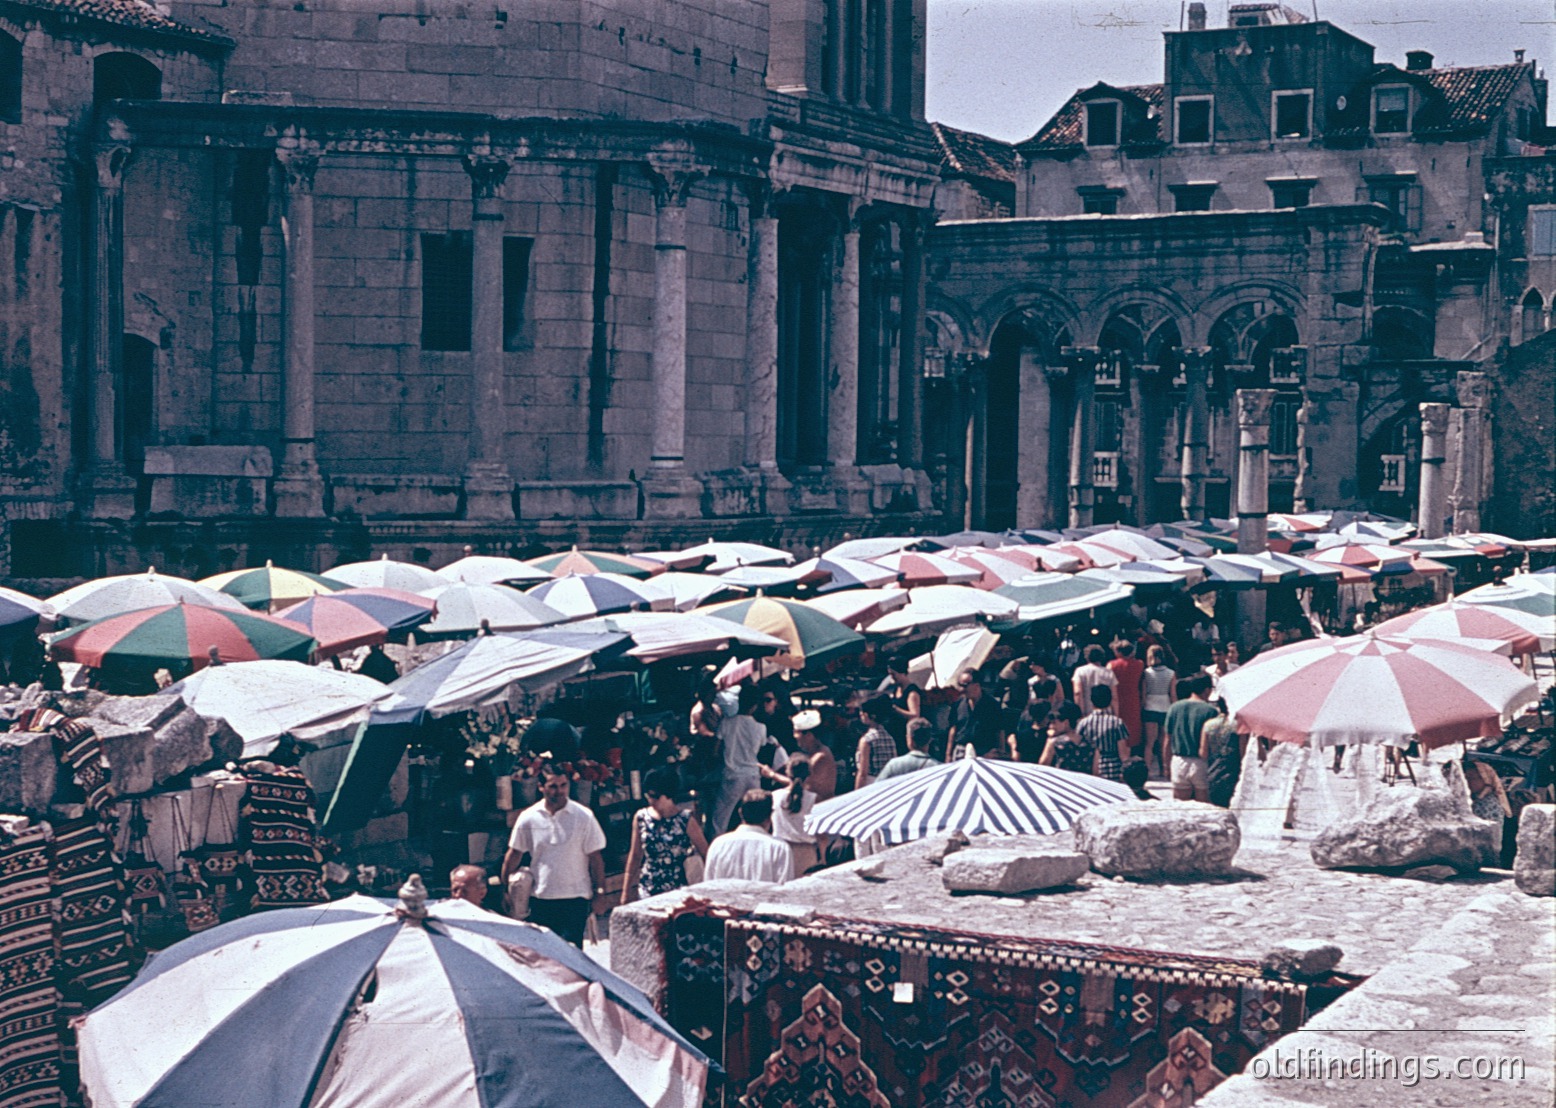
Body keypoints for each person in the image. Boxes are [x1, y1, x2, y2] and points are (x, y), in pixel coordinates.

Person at [500, 765, 606, 946]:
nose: (559, 791)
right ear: (541, 787)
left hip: (576, 898)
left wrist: (600, 893)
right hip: (542, 898)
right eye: (553, 786)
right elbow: (514, 854)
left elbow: (595, 859)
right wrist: (504, 890)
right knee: (547, 957)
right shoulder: (529, 817)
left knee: (573, 957)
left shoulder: (583, 816)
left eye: (563, 785)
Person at [620, 766, 709, 905]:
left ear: (668, 795)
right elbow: (635, 855)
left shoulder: (686, 820)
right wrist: (626, 891)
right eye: (648, 795)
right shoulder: (641, 817)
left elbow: (705, 852)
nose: (651, 800)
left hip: (679, 889)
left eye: (655, 796)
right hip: (649, 888)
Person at [712, 684, 769, 833]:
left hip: (733, 774)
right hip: (752, 774)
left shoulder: (727, 722)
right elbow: (761, 747)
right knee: (756, 816)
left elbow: (716, 750)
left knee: (721, 817)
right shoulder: (761, 727)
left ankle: (716, 845)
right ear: (755, 706)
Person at [702, 790, 792, 884]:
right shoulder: (780, 848)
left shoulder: (718, 845)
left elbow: (709, 886)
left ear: (740, 813)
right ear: (770, 815)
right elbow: (784, 890)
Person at [1164, 674, 1219, 802]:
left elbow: (1167, 740)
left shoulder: (1174, 708)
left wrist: (1166, 765)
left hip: (1179, 760)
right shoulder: (1211, 711)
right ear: (1207, 690)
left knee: (1181, 808)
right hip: (1201, 763)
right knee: (1203, 809)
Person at [769, 755, 827, 876]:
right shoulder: (814, 799)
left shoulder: (774, 796)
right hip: (805, 852)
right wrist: (823, 857)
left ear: (787, 772)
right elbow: (821, 834)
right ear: (809, 774)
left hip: (779, 848)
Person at [1077, 684, 1129, 782]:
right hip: (1113, 769)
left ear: (1091, 701)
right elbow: (1123, 753)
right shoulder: (1117, 723)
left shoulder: (1083, 723)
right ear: (1109, 701)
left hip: (1090, 768)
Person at [949, 669, 1003, 759]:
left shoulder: (992, 705)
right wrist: (948, 754)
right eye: (960, 685)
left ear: (976, 685)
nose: (961, 689)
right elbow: (953, 729)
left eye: (964, 686)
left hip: (985, 751)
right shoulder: (958, 703)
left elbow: (1000, 730)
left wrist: (1000, 752)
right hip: (961, 750)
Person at [1140, 645, 1177, 776]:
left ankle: (1146, 770)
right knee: (1164, 742)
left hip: (1150, 707)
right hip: (1165, 707)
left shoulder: (1146, 673)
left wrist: (1142, 707)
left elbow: (1144, 694)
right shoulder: (1171, 673)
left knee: (1149, 743)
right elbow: (1172, 694)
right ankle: (1165, 769)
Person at [1200, 700, 1242, 808]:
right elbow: (1243, 752)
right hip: (1233, 770)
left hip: (1213, 769)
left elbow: (1203, 752)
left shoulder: (1208, 725)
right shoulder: (1238, 725)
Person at [790, 709, 838, 800]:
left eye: (797, 732)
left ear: (809, 735)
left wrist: (772, 774)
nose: (794, 736)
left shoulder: (820, 756)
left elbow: (799, 785)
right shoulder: (812, 753)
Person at [1107, 640, 1144, 752]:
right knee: (1132, 729)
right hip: (1133, 699)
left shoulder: (1111, 665)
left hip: (1117, 698)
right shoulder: (1139, 664)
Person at [854, 697, 899, 789]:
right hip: (888, 782)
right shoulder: (890, 738)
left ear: (872, 716)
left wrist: (856, 793)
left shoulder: (866, 740)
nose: (861, 714)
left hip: (870, 783)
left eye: (863, 712)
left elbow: (863, 773)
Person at [1038, 702, 1093, 774]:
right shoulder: (1090, 744)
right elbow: (1096, 773)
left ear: (1066, 723)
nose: (1051, 726)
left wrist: (1049, 740)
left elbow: (1042, 766)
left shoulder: (1055, 743)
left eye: (1054, 723)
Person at [884, 660, 923, 745]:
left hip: (906, 736)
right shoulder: (896, 690)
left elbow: (915, 715)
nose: (892, 677)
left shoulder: (911, 692)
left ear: (902, 673)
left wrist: (895, 709)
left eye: (893, 674)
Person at [1071, 645, 1116, 710]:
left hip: (1087, 712)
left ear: (1087, 657)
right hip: (1106, 713)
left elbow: (1077, 692)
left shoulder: (1079, 671)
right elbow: (1114, 697)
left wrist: (1080, 712)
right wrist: (1115, 714)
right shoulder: (1109, 672)